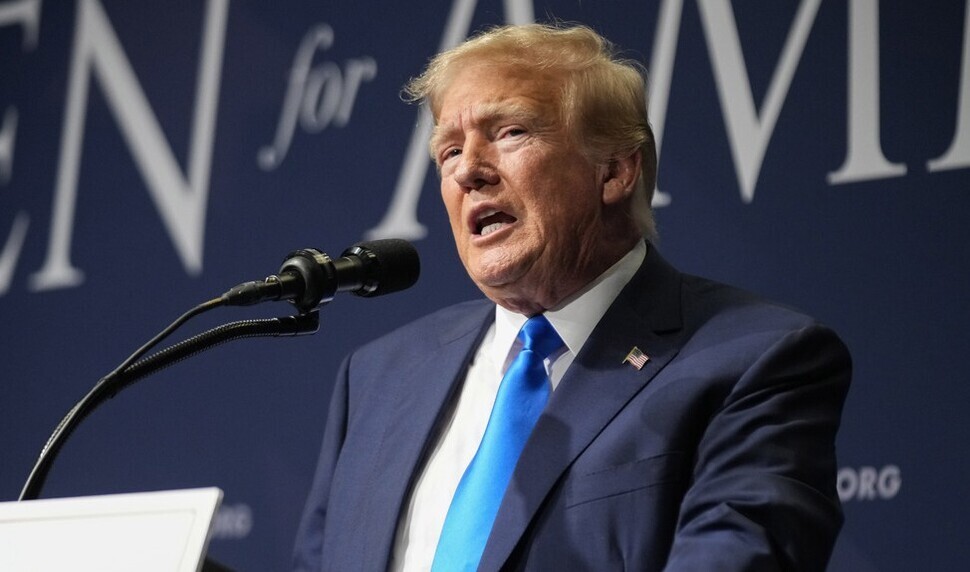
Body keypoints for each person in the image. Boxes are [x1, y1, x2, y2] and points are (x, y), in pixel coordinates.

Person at [292, 23, 850, 572]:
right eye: (449, 151)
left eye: (509, 132)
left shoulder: (754, 360)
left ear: (614, 170)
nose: (468, 171)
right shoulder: (377, 378)